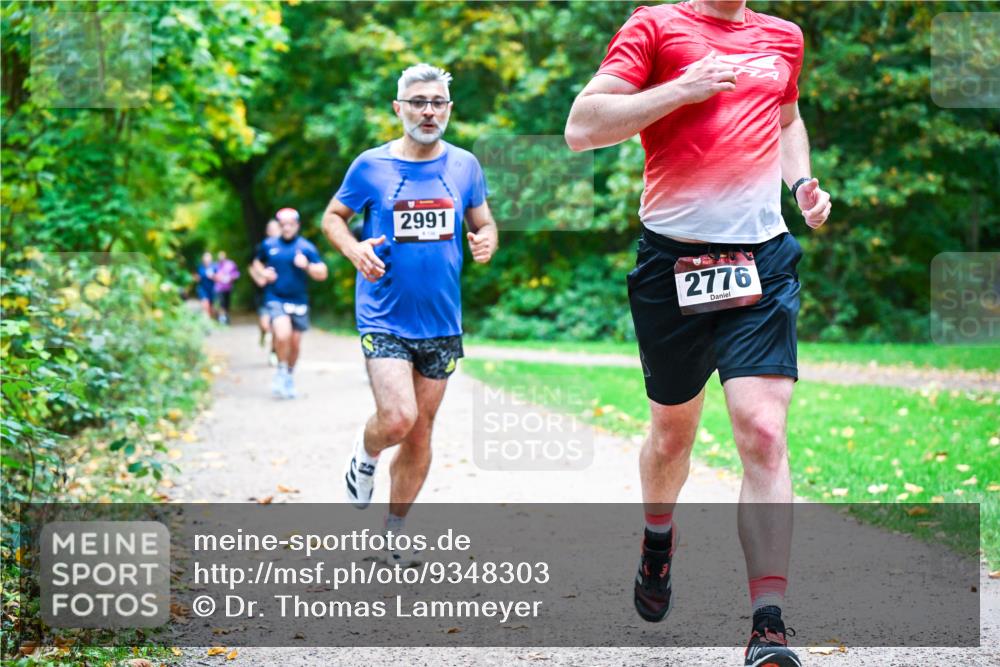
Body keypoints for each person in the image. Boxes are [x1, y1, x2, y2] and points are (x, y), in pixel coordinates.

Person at [565, 2, 831, 665]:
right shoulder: (654, 27)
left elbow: (787, 117)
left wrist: (800, 182)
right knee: (671, 434)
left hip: (760, 260)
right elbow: (581, 127)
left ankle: (767, 624)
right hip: (672, 263)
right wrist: (682, 88)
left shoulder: (783, 37)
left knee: (763, 428)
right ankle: (659, 536)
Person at [321, 63, 498, 561]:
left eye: (437, 102)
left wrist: (486, 241)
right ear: (398, 108)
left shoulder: (465, 166)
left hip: (441, 320)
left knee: (421, 430)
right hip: (384, 314)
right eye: (417, 101)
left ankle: (394, 532)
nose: (428, 110)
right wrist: (354, 251)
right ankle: (366, 454)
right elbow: (333, 217)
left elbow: (484, 222)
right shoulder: (370, 166)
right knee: (398, 418)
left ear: (449, 109)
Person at [251, 208, 329, 399]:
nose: (286, 228)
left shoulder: (306, 247)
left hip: (298, 300)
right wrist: (263, 274)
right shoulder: (268, 245)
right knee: (282, 333)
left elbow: (322, 273)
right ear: (279, 226)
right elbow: (256, 263)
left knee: (295, 344)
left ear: (297, 225)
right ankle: (280, 369)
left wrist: (307, 266)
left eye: (290, 224)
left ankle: (288, 376)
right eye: (283, 224)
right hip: (275, 297)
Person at [250, 218, 282, 363]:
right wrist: (261, 277)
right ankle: (264, 332)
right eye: (271, 229)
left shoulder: (287, 246)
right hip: (263, 292)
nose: (273, 231)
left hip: (279, 293)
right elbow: (251, 266)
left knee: (276, 325)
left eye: (276, 228)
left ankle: (273, 352)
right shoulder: (262, 247)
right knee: (265, 324)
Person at [211, 251, 240, 325]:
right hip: (219, 288)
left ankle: (225, 317)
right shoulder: (215, 265)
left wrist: (231, 278)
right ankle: (222, 319)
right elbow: (211, 275)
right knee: (221, 303)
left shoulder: (231, 264)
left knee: (227, 304)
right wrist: (217, 277)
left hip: (228, 288)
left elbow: (237, 274)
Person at [196, 252, 215, 319]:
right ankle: (206, 321)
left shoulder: (214, 267)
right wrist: (197, 278)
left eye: (208, 258)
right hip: (202, 289)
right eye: (205, 258)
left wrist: (212, 276)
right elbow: (197, 277)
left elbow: (219, 278)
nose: (206, 260)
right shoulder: (200, 267)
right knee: (205, 304)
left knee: (211, 307)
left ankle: (211, 319)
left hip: (212, 289)